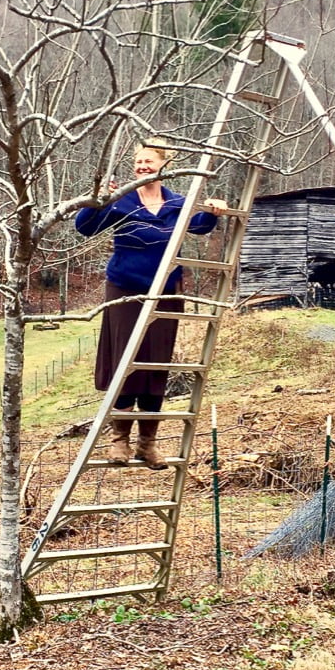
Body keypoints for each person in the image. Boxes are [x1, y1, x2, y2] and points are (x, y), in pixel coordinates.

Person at [75, 139, 228, 468]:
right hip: (126, 289)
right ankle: (119, 441)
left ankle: (148, 442)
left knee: (156, 364)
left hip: (166, 293)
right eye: (138, 161)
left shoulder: (176, 203)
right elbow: (84, 227)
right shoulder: (121, 201)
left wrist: (214, 208)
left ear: (163, 166)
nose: (143, 166)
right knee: (125, 361)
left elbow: (200, 224)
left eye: (149, 161)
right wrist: (98, 199)